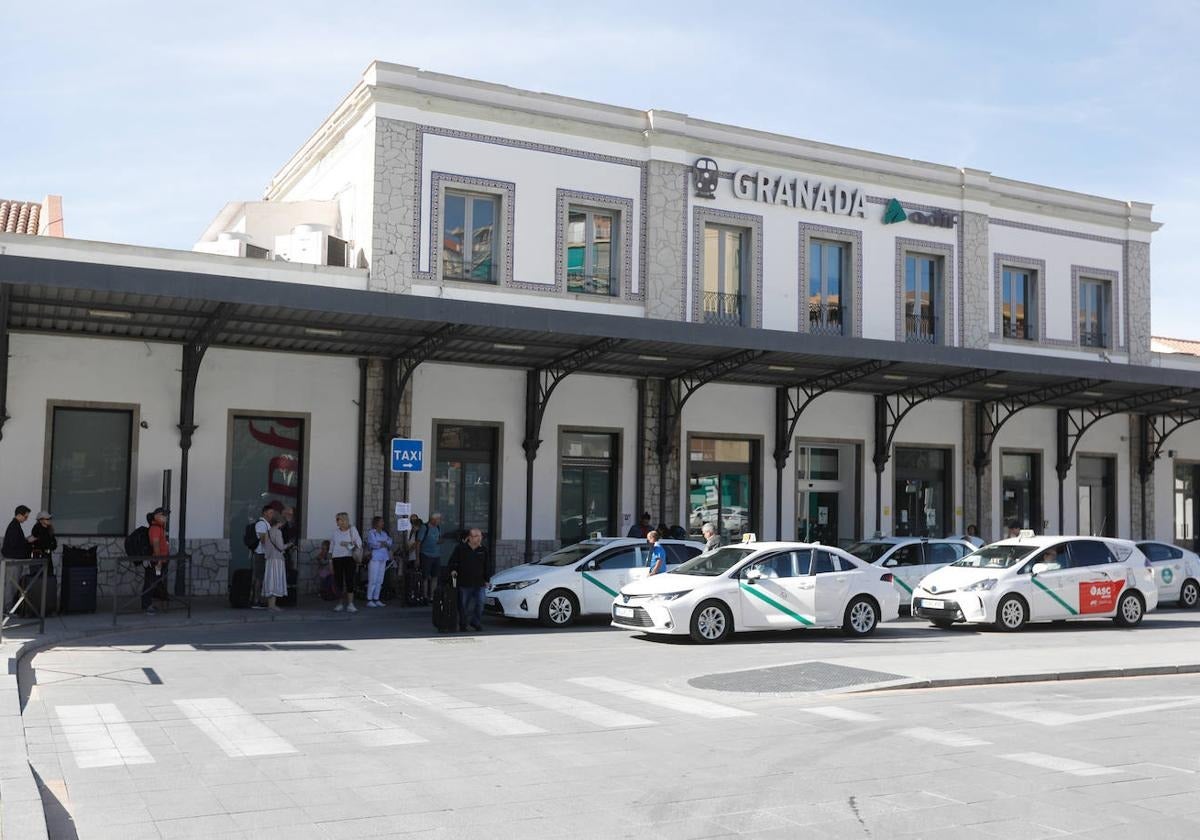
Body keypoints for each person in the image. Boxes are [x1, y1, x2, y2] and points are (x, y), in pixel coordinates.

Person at [449, 528, 491, 632]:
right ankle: (463, 624)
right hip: (464, 582)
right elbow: (453, 561)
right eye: (477, 536)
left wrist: (487, 580)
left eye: (480, 536)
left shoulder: (483, 550)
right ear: (470, 538)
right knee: (463, 605)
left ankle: (475, 622)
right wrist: (453, 570)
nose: (480, 538)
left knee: (480, 603)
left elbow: (487, 566)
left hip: (479, 582)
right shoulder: (460, 548)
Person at [330, 512, 363, 613]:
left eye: (338, 519)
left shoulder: (352, 530)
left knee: (349, 581)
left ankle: (350, 604)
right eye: (337, 519)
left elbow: (359, 544)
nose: (337, 521)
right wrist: (330, 562)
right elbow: (331, 548)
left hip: (349, 558)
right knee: (338, 581)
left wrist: (347, 544)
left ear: (344, 520)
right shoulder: (335, 532)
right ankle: (340, 604)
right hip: (337, 559)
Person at [250, 503, 279, 610]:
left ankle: (261, 599)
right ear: (265, 513)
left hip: (265, 554)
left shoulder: (267, 524)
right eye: (270, 512)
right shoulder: (262, 524)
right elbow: (263, 539)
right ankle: (256, 600)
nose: (272, 515)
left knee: (262, 577)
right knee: (259, 577)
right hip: (260, 554)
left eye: (272, 513)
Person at [260, 512, 291, 612]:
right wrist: (289, 545)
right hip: (277, 560)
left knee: (270, 581)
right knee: (275, 580)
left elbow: (265, 545)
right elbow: (281, 547)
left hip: (269, 559)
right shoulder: (278, 532)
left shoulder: (268, 531)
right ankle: (272, 605)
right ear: (280, 522)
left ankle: (270, 605)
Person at [144, 507, 170, 615]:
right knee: (150, 583)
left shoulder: (160, 528)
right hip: (156, 561)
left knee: (156, 582)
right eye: (164, 516)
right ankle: (147, 606)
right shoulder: (155, 528)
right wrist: (159, 561)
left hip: (160, 560)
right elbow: (156, 545)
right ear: (158, 516)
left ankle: (155, 604)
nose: (166, 518)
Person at [414, 512, 442, 602]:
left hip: (436, 555)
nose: (439, 521)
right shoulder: (424, 528)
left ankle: (432, 596)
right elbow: (418, 543)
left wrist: (439, 541)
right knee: (425, 576)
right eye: (438, 519)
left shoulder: (437, 527)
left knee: (435, 576)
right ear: (433, 519)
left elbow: (437, 539)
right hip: (426, 555)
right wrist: (417, 558)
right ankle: (425, 596)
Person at [365, 515, 393, 607]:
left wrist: (382, 543)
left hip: (383, 557)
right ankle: (369, 599)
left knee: (380, 579)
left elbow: (389, 542)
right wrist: (383, 543)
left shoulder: (384, 533)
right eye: (381, 522)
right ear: (376, 523)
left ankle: (376, 598)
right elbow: (373, 544)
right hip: (375, 558)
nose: (383, 523)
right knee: (373, 579)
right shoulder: (371, 533)